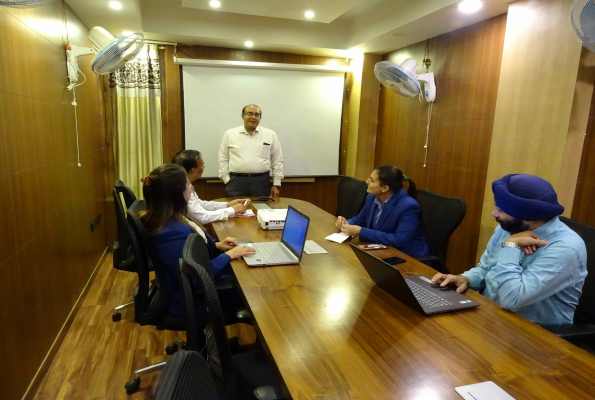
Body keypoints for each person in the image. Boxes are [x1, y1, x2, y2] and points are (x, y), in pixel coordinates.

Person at [431, 174, 587, 326]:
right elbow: (486, 269)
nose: (494, 214)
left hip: (534, 336)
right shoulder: (509, 227)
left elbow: (513, 300)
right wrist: (466, 279)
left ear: (528, 215)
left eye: (501, 210)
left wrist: (510, 245)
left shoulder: (566, 248)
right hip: (490, 317)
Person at [139, 164, 256, 318]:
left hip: (197, 285)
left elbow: (190, 253)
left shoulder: (170, 218)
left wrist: (217, 246)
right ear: (178, 193)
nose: (191, 187)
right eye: (188, 184)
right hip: (195, 299)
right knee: (257, 287)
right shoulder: (171, 232)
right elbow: (196, 276)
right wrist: (228, 255)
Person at [336, 166, 429, 258]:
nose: (367, 182)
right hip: (381, 250)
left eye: (372, 180)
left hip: (407, 258)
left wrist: (361, 231)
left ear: (385, 188)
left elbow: (399, 240)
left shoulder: (409, 206)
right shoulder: (372, 197)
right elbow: (361, 218)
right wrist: (346, 223)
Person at [218, 104, 284, 198]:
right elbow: (223, 158)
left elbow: (277, 160)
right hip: (236, 182)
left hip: (261, 182)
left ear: (260, 117)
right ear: (242, 116)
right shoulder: (230, 134)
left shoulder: (270, 134)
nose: (253, 117)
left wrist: (276, 184)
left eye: (257, 115)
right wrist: (227, 180)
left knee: (261, 210)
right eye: (249, 114)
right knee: (235, 210)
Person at [172, 149, 248, 224]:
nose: (204, 167)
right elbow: (203, 217)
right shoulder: (182, 188)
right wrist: (232, 210)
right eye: (202, 165)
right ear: (193, 171)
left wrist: (228, 205)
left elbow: (199, 204)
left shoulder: (186, 182)